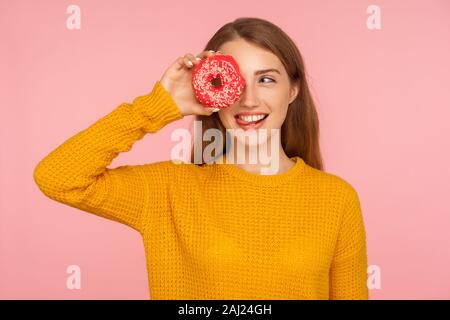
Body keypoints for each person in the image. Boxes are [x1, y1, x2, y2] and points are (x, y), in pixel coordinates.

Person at [33, 17, 369, 300]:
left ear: (293, 89)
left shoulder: (336, 199)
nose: (249, 100)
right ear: (210, 90)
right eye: (232, 82)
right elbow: (58, 178)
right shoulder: (169, 189)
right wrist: (158, 106)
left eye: (266, 79)